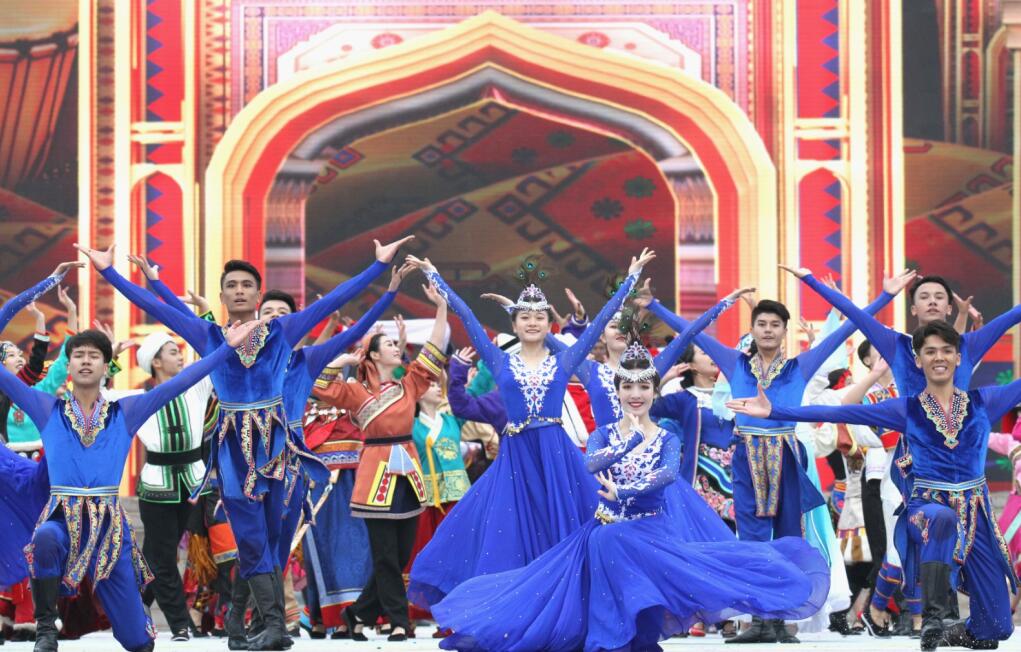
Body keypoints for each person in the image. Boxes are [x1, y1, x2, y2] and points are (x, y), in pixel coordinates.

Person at [77, 238, 409, 650]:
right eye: (231, 285)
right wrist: (108, 272)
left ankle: (243, 621)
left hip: (278, 449)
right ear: (221, 296)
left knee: (272, 541)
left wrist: (378, 269)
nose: (239, 291)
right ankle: (274, 626)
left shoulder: (283, 331)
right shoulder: (208, 335)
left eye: (246, 285)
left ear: (257, 294)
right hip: (233, 450)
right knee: (251, 538)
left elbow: (336, 301)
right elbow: (161, 309)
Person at [431, 339, 830, 651]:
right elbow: (593, 462)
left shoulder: (666, 438)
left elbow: (666, 475)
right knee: (602, 546)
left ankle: (628, 636)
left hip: (649, 533)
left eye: (642, 386)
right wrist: (630, 442)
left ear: (655, 392)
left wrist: (625, 482)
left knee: (632, 555)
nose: (635, 394)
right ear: (617, 391)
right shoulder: (604, 434)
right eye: (627, 387)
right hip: (606, 531)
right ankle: (609, 638)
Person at [642, 275, 906, 643]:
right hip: (746, 456)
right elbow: (692, 332)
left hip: (786, 455)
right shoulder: (734, 363)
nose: (768, 330)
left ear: (784, 332)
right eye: (762, 324)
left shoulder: (799, 367)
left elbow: (846, 329)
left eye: (775, 324)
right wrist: (654, 306)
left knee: (788, 538)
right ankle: (760, 620)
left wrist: (885, 297)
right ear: (752, 330)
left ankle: (781, 620)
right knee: (752, 540)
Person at [729, 320, 1019, 651]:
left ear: (957, 358)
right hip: (926, 509)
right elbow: (843, 413)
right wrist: (775, 410)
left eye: (946, 351)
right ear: (918, 360)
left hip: (975, 511)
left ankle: (959, 631)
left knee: (998, 628)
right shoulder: (907, 408)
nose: (939, 357)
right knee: (942, 518)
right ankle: (933, 619)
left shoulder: (982, 403)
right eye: (930, 351)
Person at [405, 250, 655, 611]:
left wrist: (630, 279)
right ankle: (514, 610)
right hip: (516, 457)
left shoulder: (565, 359)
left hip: (556, 455)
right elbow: (467, 315)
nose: (533, 322)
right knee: (511, 533)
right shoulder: (499, 360)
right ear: (514, 323)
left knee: (566, 528)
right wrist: (434, 274)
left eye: (539, 316)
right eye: (525, 316)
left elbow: (600, 322)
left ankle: (571, 607)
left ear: (549, 324)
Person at [0, 320, 257, 652]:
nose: (86, 361)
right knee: (45, 538)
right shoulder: (47, 409)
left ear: (106, 366)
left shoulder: (126, 411)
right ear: (69, 364)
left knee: (138, 642)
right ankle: (46, 629)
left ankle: (133, 622)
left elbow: (180, 382)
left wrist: (226, 349)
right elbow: (5, 377)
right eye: (78, 355)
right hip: (61, 519)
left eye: (94, 355)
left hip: (109, 531)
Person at [311, 277, 448, 642]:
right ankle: (399, 621)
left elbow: (434, 351)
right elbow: (318, 386)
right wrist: (341, 360)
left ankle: (357, 613)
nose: (395, 347)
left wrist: (441, 308)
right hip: (374, 478)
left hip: (409, 476)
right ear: (372, 355)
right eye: (388, 343)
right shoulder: (355, 392)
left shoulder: (409, 384)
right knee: (385, 556)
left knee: (400, 556)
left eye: (394, 343)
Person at [129, 331, 216, 642]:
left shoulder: (197, 388)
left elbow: (215, 356)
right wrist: (110, 359)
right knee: (163, 557)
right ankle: (181, 624)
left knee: (155, 554)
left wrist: (204, 319)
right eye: (172, 351)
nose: (180, 356)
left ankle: (136, 604)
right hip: (157, 484)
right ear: (156, 362)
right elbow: (100, 394)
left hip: (192, 482)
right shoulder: (139, 399)